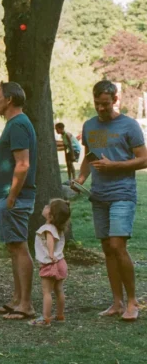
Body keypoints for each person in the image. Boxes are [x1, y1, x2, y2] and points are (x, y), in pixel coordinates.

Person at [73, 80, 147, 321]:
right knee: (107, 249)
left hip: (122, 193)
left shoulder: (130, 125)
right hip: (99, 195)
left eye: (105, 104)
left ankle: (133, 302)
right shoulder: (89, 125)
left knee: (117, 245)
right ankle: (116, 302)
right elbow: (88, 156)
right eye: (97, 103)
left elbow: (143, 159)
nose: (101, 108)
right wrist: (81, 177)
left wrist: (115, 165)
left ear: (115, 100)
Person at [0, 81, 37, 320]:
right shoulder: (15, 124)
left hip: (14, 197)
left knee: (19, 247)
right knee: (13, 247)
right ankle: (17, 299)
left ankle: (26, 305)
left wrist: (11, 196)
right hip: (8, 194)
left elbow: (23, 164)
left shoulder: (18, 124)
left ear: (9, 99)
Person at [28, 199, 71, 327]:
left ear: (51, 216)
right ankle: (60, 315)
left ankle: (45, 319)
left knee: (46, 292)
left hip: (50, 263)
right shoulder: (59, 228)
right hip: (61, 262)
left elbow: (50, 240)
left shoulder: (47, 228)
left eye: (48, 207)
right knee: (59, 290)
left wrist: (50, 254)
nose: (45, 206)